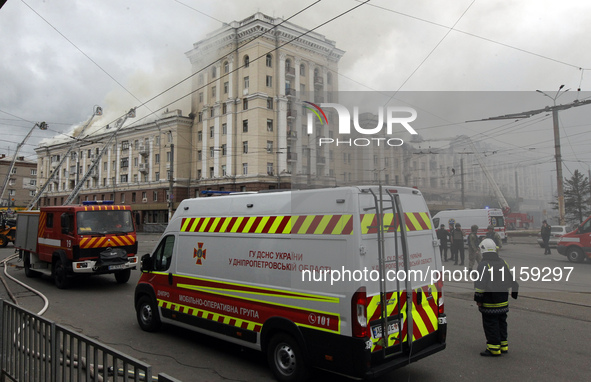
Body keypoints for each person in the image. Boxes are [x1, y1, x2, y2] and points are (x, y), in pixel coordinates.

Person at [474, 238, 519, 357]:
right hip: (503, 301)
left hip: (490, 302)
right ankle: (503, 346)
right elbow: (511, 279)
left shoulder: (484, 265)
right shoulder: (503, 262)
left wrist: (478, 299)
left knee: (490, 324)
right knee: (502, 322)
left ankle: (493, 348)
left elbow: (480, 285)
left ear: (483, 250)